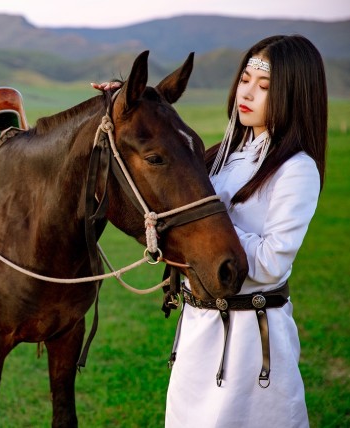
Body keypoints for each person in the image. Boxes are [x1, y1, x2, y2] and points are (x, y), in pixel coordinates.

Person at [95, 34, 327, 427]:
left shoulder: (296, 169)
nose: (248, 92)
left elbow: (272, 263)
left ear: (295, 94)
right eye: (245, 80)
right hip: (197, 330)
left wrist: (210, 230)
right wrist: (130, 106)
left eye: (264, 86)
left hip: (249, 342)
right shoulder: (224, 155)